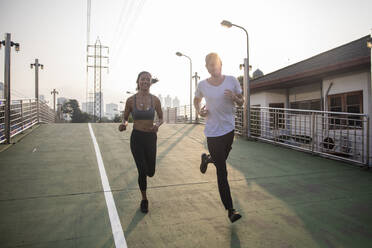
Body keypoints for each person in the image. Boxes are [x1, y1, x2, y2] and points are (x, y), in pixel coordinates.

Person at [194, 53, 244, 223]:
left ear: (220, 64)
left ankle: (207, 159)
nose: (213, 67)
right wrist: (199, 110)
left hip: (229, 130)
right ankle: (231, 209)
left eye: (215, 64)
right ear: (207, 67)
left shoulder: (232, 80)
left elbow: (241, 102)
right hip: (212, 133)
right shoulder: (202, 85)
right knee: (222, 170)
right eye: (209, 65)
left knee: (219, 160)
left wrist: (235, 98)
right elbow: (196, 100)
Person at [119, 71, 163, 213]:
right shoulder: (130, 100)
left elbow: (161, 118)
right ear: (138, 81)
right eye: (142, 79)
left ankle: (148, 176)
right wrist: (124, 124)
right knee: (142, 171)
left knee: (151, 172)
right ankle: (144, 199)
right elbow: (125, 117)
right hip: (137, 138)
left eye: (147, 80)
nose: (145, 81)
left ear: (150, 82)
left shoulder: (155, 100)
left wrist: (157, 125)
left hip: (150, 138)